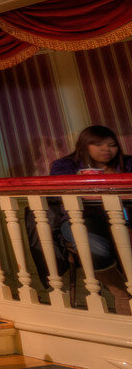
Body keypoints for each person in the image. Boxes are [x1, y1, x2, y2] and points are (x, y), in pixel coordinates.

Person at [48, 125, 132, 314]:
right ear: (84, 146)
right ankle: (119, 291)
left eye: (112, 145)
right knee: (92, 244)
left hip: (122, 219)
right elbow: (55, 192)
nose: (107, 150)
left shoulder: (126, 164)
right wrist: (80, 180)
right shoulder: (66, 165)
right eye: (99, 145)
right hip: (80, 219)